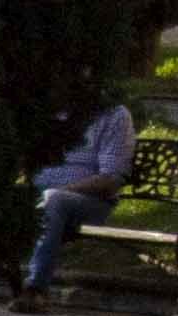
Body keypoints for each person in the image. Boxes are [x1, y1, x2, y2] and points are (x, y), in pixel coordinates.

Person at [16, 96, 141, 300]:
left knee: (53, 199)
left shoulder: (114, 115)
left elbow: (110, 179)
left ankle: (35, 289)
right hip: (40, 195)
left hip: (90, 202)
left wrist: (62, 190)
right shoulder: (47, 112)